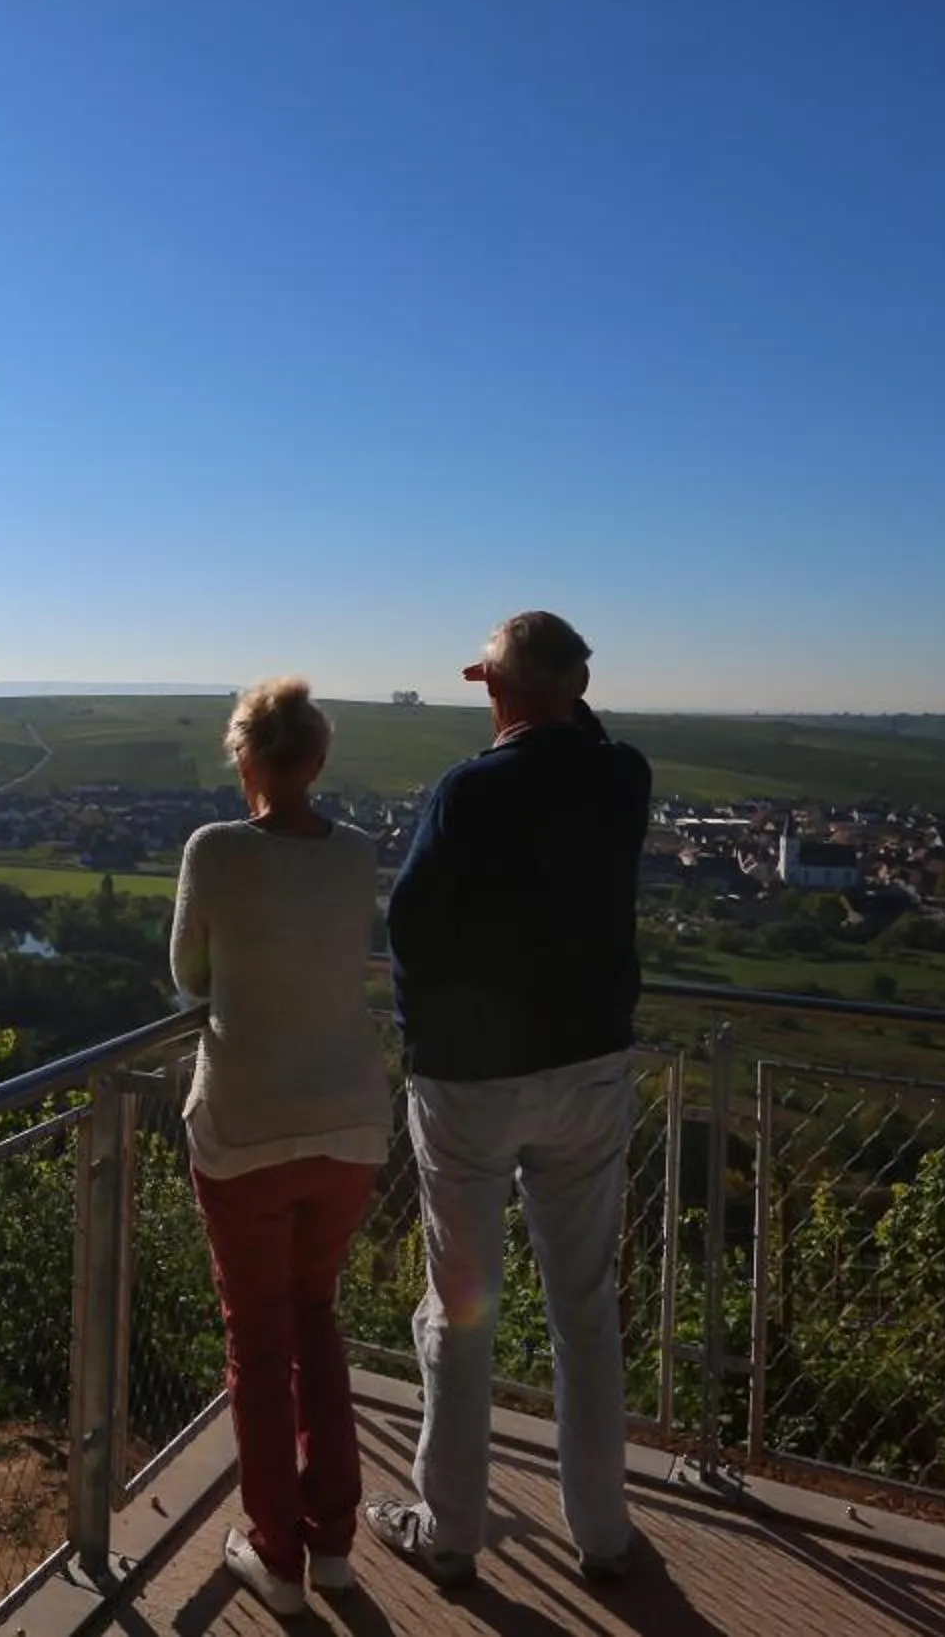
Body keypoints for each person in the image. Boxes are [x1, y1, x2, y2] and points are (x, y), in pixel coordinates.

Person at [365, 611, 653, 1587]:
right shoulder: (623, 779)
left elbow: (409, 923)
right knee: (585, 1309)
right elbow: (585, 739)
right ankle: (604, 1536)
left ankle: (449, 1532)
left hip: (471, 1084)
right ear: (580, 687)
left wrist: (428, 1036)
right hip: (589, 1069)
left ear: (492, 689)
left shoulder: (470, 790)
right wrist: (544, 689)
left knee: (461, 1309)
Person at [171, 677, 394, 1615]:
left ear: (244, 759)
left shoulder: (215, 850)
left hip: (247, 1127)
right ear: (319, 759)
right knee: (315, 1317)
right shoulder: (358, 852)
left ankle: (277, 1557)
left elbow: (188, 975)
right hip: (349, 1123)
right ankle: (333, 1543)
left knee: (258, 1345)